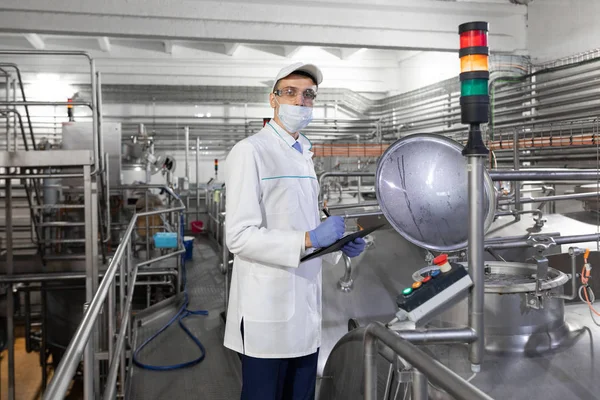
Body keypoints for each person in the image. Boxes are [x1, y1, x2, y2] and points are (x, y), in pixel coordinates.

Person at [223, 62, 367, 400]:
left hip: (306, 312)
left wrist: (336, 245)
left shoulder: (303, 155)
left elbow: (303, 223)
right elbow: (239, 236)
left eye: (308, 95)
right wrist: (310, 238)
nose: (300, 101)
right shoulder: (251, 152)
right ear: (272, 98)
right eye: (290, 92)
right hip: (266, 313)